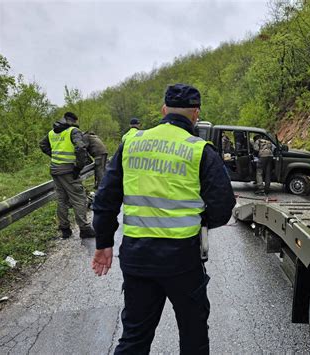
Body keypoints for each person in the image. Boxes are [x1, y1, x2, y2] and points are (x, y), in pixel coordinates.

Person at [91, 84, 235, 354]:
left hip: (136, 258)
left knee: (134, 337)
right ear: (196, 114)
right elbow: (223, 205)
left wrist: (103, 243)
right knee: (193, 336)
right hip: (182, 261)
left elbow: (105, 198)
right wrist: (201, 220)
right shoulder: (200, 149)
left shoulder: (132, 142)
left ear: (163, 110)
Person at [39, 112, 95, 239]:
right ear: (73, 120)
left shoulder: (52, 132)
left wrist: (54, 155)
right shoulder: (73, 131)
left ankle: (65, 229)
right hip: (69, 171)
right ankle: (84, 229)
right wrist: (78, 166)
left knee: (61, 199)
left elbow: (42, 145)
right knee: (78, 198)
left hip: (55, 170)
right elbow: (80, 148)